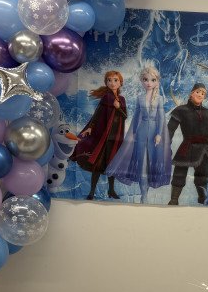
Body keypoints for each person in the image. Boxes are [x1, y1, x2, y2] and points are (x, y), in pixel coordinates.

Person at [106, 65, 172, 202]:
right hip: (141, 132)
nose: (149, 83)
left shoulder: (159, 99)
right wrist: (133, 132)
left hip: (155, 133)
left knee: (150, 164)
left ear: (157, 82)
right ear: (142, 81)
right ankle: (144, 195)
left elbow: (161, 117)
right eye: (145, 80)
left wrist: (159, 134)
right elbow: (136, 116)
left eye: (152, 80)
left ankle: (145, 194)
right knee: (142, 164)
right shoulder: (140, 98)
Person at [70, 71, 127, 200]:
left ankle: (111, 190)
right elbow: (97, 114)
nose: (112, 83)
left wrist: (118, 107)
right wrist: (90, 127)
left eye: (115, 80)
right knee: (98, 163)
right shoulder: (106, 98)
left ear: (120, 83)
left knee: (112, 163)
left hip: (116, 136)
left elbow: (125, 116)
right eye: (109, 80)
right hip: (103, 136)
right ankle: (92, 192)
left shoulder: (121, 100)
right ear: (106, 83)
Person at [167, 83, 208, 205]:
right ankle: (174, 200)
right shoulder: (181, 110)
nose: (201, 95)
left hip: (203, 148)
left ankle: (202, 199)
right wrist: (166, 144)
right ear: (191, 93)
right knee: (179, 173)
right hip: (187, 146)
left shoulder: (207, 113)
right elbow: (170, 129)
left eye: (203, 93)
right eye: (198, 92)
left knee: (202, 175)